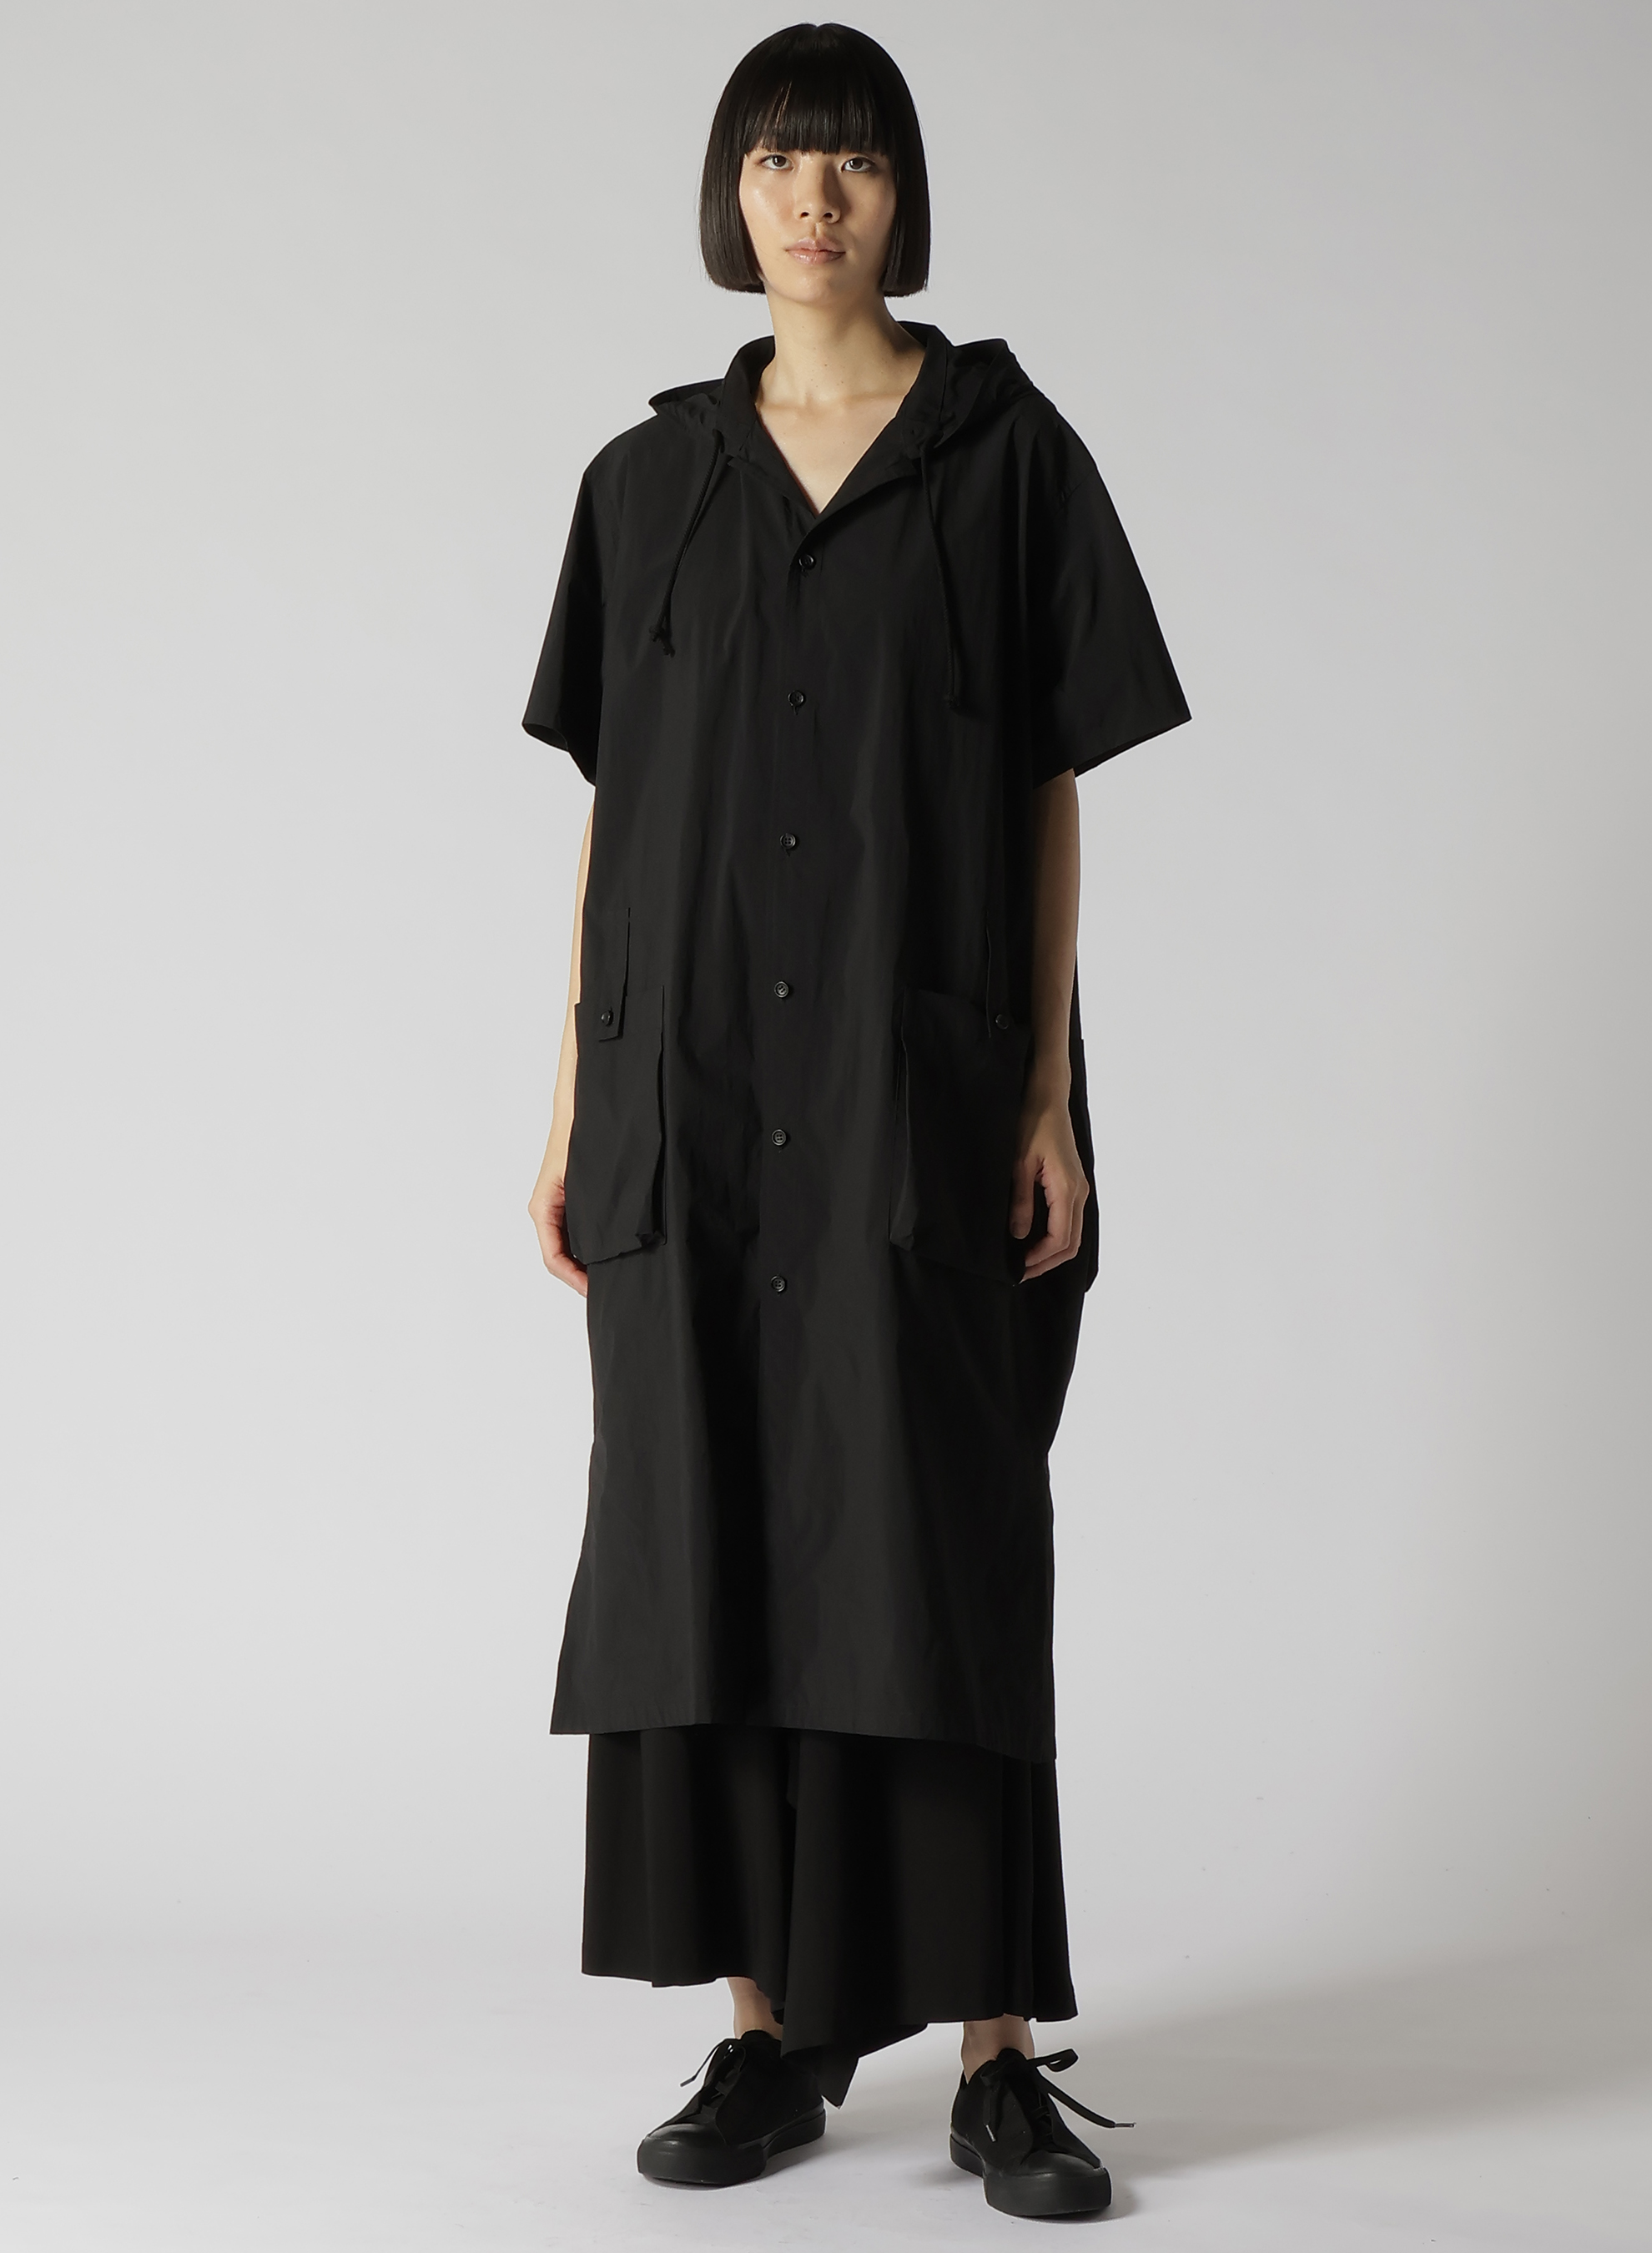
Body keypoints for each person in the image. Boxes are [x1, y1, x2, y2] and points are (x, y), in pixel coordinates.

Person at [522, 21, 1188, 2222]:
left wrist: (1044, 1091)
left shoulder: (1006, 456)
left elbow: (1046, 785)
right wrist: (569, 1100)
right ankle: (762, 2038)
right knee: (704, 1526)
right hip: (693, 1099)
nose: (812, 195)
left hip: (919, 1092)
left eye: (854, 157)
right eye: (776, 157)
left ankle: (996, 2056)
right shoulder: (643, 488)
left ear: (903, 193)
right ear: (729, 195)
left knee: (941, 1538)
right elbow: (615, 820)